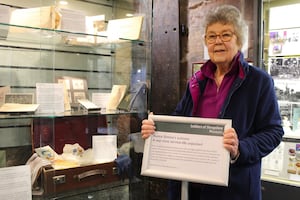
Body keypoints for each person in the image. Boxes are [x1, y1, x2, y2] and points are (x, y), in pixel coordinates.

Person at [141, 4, 284, 200]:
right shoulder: (197, 80)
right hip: (190, 187)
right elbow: (178, 120)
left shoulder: (259, 81)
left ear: (239, 40)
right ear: (206, 42)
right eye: (211, 36)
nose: (218, 42)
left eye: (226, 35)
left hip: (235, 190)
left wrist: (240, 149)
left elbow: (273, 132)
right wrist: (156, 130)